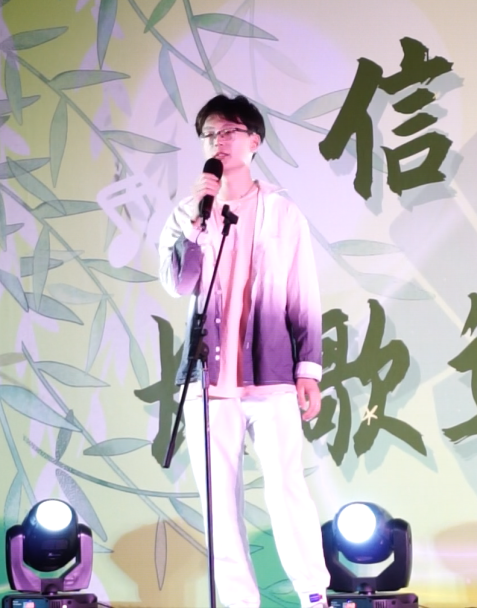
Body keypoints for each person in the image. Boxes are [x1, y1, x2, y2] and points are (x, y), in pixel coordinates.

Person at [158, 94, 331, 608]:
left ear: (254, 141)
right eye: (210, 134)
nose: (219, 141)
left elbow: (303, 293)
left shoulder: (282, 212)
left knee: (286, 487)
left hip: (271, 375)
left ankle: (314, 594)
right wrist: (195, 225)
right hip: (208, 382)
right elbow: (179, 283)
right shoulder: (187, 212)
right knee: (218, 503)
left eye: (229, 131)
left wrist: (308, 369)